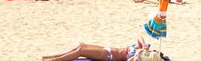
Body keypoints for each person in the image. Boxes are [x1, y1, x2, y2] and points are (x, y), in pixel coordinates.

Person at [41, 37, 169, 61]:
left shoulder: (141, 58)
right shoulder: (143, 51)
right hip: (106, 49)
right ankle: (55, 56)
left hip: (108, 56)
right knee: (81, 45)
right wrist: (144, 45)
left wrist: (139, 53)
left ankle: (56, 60)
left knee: (81, 51)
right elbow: (138, 36)